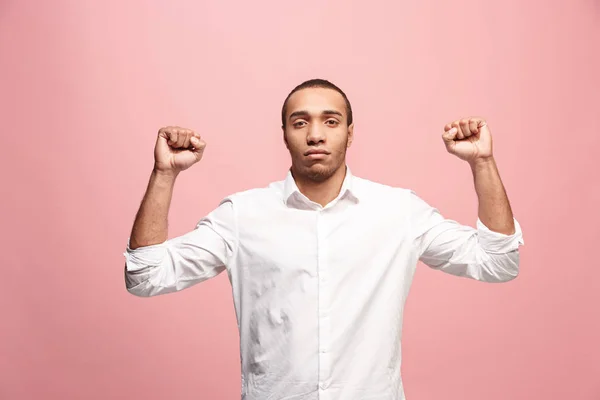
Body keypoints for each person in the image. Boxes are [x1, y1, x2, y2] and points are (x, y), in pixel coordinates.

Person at [123, 78, 524, 400]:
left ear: (350, 134)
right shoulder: (243, 216)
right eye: (300, 122)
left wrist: (482, 163)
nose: (315, 134)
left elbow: (497, 262)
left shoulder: (399, 212)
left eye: (330, 121)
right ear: (284, 135)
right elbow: (145, 276)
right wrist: (165, 174)